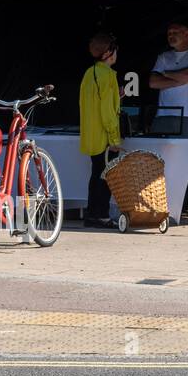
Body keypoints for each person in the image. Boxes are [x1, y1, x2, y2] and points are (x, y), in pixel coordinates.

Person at [149, 21, 188, 224]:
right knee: (161, 161)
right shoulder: (163, 57)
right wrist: (179, 78)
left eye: (175, 32)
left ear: (187, 33)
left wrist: (166, 74)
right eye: (169, 32)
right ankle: (163, 205)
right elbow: (152, 82)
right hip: (164, 116)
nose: (171, 35)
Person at [78, 31, 121, 228]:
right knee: (104, 177)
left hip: (92, 134)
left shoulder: (90, 73)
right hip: (103, 136)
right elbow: (106, 111)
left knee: (97, 175)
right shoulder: (107, 75)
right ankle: (100, 215)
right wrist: (114, 138)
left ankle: (93, 214)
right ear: (109, 53)